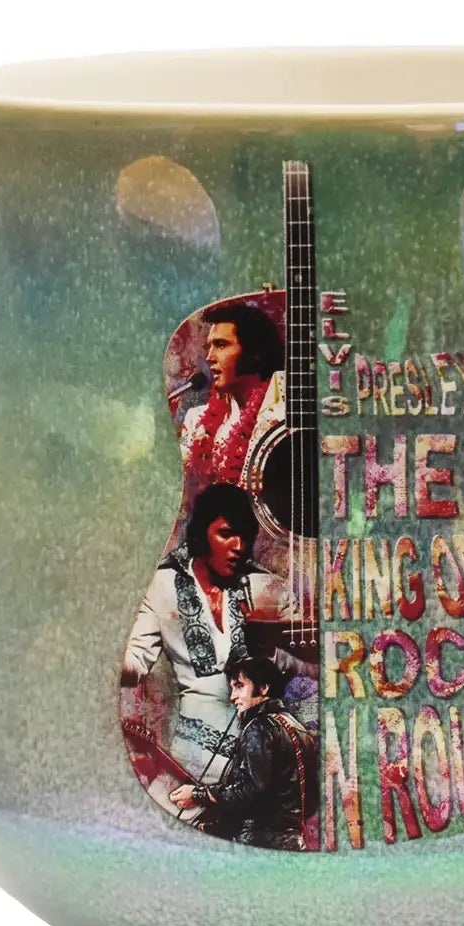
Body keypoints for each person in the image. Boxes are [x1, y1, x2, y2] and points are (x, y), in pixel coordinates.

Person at [121, 482, 296, 787]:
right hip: (189, 765)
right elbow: (135, 660)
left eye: (244, 536)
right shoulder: (162, 586)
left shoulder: (269, 590)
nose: (238, 546)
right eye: (226, 534)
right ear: (203, 533)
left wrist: (276, 655)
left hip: (258, 772)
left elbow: (311, 661)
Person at [169, 653, 317, 850]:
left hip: (257, 846)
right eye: (232, 688)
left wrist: (198, 794)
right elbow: (310, 802)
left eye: (239, 686)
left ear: (263, 688)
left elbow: (249, 791)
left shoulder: (260, 726)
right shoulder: (301, 731)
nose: (233, 697)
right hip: (292, 846)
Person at [179, 301, 284, 492]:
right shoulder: (196, 421)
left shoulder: (283, 417)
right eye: (209, 347)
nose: (210, 357)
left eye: (221, 345)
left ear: (255, 353)